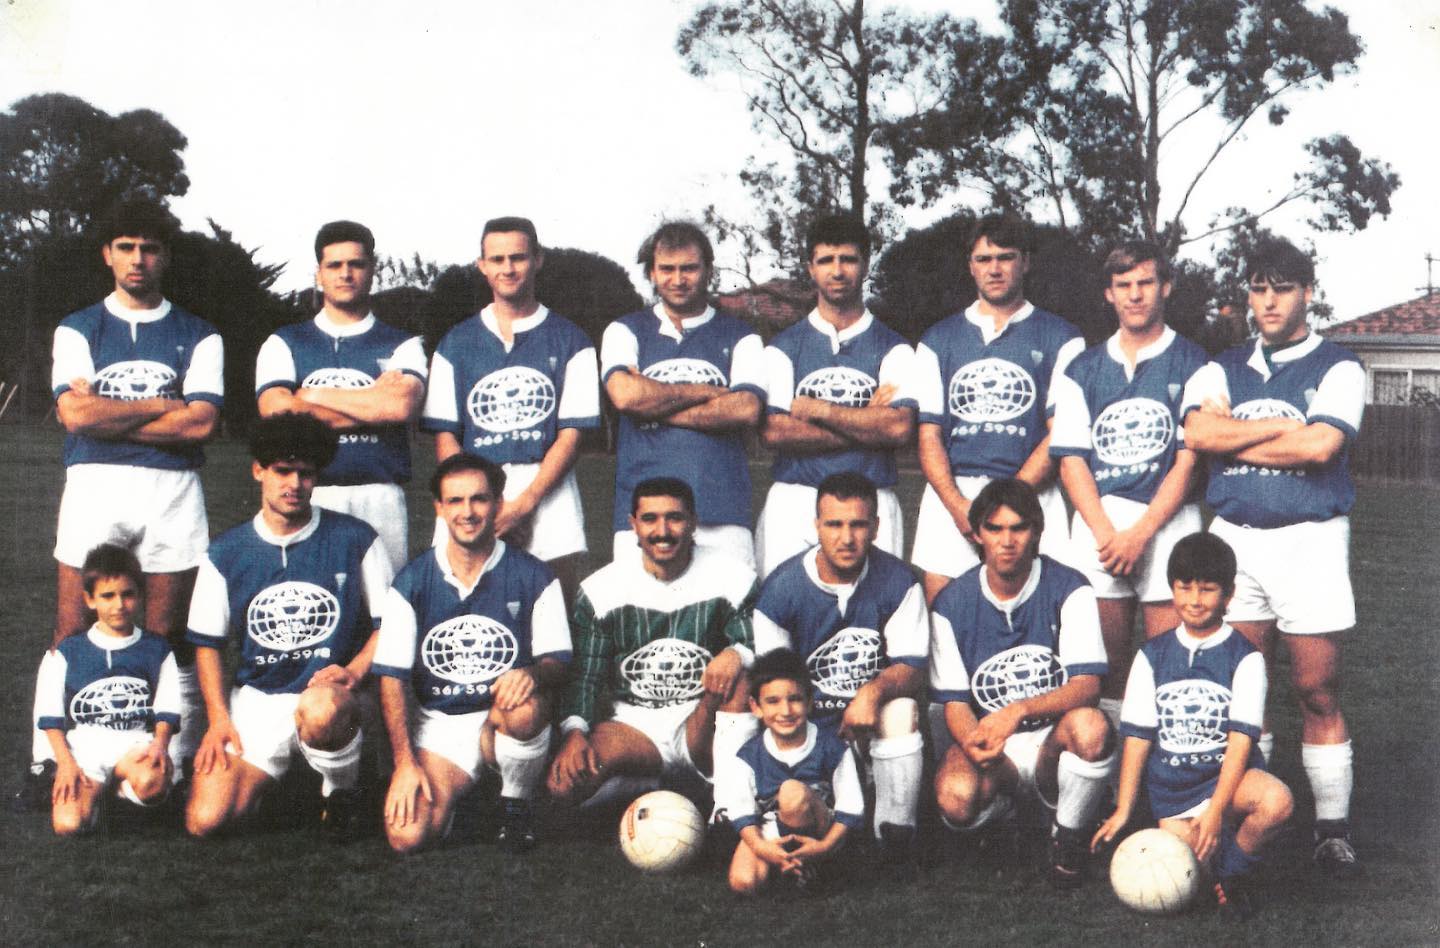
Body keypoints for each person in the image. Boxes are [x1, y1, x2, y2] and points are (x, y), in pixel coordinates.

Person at [26, 200, 222, 805]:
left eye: (151, 248)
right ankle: (48, 765)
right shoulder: (79, 327)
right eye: (127, 246)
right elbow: (76, 415)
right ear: (107, 253)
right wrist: (168, 405)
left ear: (166, 257)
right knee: (72, 628)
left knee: (161, 636)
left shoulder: (199, 333)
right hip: (94, 486)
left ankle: (162, 766)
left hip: (172, 492)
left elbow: (203, 426)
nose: (139, 259)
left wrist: (111, 418)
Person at [1181, 237, 1364, 877]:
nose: (1268, 301)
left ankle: (1331, 829)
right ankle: (1251, 810)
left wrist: (1239, 441)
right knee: (1242, 687)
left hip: (1310, 541)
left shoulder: (1340, 366)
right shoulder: (1222, 364)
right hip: (1235, 539)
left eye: (1281, 288)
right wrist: (1280, 429)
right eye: (1258, 289)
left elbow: (1320, 448)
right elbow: (1201, 434)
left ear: (1307, 292)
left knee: (1315, 688)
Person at [184, 414, 393, 839]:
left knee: (321, 711)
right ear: (258, 470)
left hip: (331, 697)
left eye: (305, 473)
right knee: (207, 820)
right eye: (282, 471)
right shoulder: (226, 553)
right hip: (259, 700)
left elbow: (390, 626)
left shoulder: (356, 538)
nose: (294, 484)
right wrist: (219, 719)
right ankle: (290, 785)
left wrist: (352, 672)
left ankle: (341, 793)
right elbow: (207, 644)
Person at [373, 454, 570, 853]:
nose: (468, 512)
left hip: (504, 714)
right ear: (439, 508)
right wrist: (405, 765)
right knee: (407, 836)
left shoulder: (535, 575)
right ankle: (469, 800)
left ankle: (516, 805)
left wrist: (532, 675)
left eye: (479, 499)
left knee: (525, 707)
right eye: (456, 501)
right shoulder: (411, 582)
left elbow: (559, 662)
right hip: (442, 723)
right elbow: (391, 677)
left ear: (498, 503)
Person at [1093, 532, 1293, 920]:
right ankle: (1218, 868)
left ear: (1228, 596)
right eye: (1185, 588)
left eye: (1208, 589)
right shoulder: (1152, 655)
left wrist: (1217, 810)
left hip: (1227, 783)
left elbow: (1239, 742)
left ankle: (1235, 876)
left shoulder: (1245, 658)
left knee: (1277, 801)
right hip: (1174, 795)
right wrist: (1124, 808)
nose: (1195, 600)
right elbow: (1136, 737)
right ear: (1172, 590)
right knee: (1185, 878)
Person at [1050, 241, 1207, 726]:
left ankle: (1165, 783)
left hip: (1167, 522)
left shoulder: (1196, 361)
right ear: (1109, 294)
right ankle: (1111, 782)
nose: (1135, 295)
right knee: (1105, 667)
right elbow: (1072, 458)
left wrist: (1140, 533)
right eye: (1124, 285)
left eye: (1145, 283)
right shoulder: (1082, 369)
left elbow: (1189, 458)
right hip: (1101, 522)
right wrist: (1106, 533)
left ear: (1165, 287)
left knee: (1171, 663)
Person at [929, 478, 1115, 887]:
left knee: (1091, 726)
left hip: (1055, 740)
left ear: (1037, 531)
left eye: (1019, 528)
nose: (1007, 541)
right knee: (955, 798)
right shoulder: (951, 603)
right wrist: (974, 743)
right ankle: (1012, 819)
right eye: (995, 529)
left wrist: (1019, 710)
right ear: (977, 534)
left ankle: (1067, 837)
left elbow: (1087, 686)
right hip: (997, 747)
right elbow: (955, 703)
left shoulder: (1070, 587)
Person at [547, 477, 757, 809]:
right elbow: (585, 677)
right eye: (650, 519)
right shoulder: (602, 589)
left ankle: (730, 804)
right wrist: (574, 732)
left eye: (674, 518)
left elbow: (763, 642)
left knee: (743, 676)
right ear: (633, 524)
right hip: (637, 724)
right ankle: (660, 780)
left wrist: (737, 651)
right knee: (564, 787)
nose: (663, 530)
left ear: (693, 522)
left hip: (703, 716)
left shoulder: (732, 575)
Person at [423, 216, 599, 599]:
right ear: (482, 265)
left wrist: (524, 504)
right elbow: (446, 436)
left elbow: (571, 435)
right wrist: (480, 501)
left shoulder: (573, 341)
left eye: (517, 257)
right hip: (474, 488)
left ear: (538, 259)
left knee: (555, 609)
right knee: (467, 606)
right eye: (497, 259)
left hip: (547, 492)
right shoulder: (455, 343)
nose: (507, 268)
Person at [752, 471, 927, 857]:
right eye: (834, 524)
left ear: (877, 527)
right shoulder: (781, 591)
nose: (846, 538)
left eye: (858, 524)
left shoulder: (899, 582)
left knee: (901, 709)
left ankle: (893, 836)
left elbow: (912, 668)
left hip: (867, 724)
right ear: (816, 525)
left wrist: (872, 691)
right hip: (809, 728)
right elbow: (774, 688)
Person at [912, 214, 1083, 604]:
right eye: (984, 258)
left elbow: (1059, 432)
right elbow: (928, 436)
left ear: (1025, 261)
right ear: (970, 265)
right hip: (954, 497)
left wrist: (1007, 502)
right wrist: (959, 507)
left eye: (1005, 257)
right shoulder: (938, 339)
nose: (994, 268)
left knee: (1040, 625)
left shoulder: (1063, 338)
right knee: (946, 622)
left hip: (1032, 495)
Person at [255, 220, 427, 573]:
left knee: (385, 611)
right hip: (311, 492)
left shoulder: (402, 344)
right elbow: (276, 414)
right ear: (319, 273)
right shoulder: (284, 342)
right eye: (334, 265)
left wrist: (311, 395)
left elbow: (400, 405)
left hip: (380, 494)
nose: (345, 274)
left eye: (356, 264)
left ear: (372, 270)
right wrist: (373, 402)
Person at [754, 214, 916, 577]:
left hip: (872, 500)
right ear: (811, 268)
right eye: (826, 260)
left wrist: (817, 410)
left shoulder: (895, 348)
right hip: (795, 498)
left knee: (872, 616)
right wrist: (864, 420)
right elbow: (775, 433)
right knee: (785, 615)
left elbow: (897, 430)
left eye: (848, 259)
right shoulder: (782, 348)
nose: (838, 271)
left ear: (865, 264)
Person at [603, 222, 765, 568]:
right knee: (641, 620)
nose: (678, 279)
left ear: (708, 271)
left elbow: (745, 409)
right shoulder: (625, 330)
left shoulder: (742, 336)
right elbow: (626, 397)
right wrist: (706, 393)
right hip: (642, 512)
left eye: (689, 268)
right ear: (651, 272)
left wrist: (654, 404)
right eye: (667, 269)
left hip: (722, 510)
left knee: (729, 617)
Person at [34, 544, 180, 835]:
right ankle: (103, 799)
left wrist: (159, 745)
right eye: (108, 596)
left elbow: (168, 709)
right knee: (68, 825)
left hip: (135, 743)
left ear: (139, 595)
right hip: (85, 748)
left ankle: (118, 794)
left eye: (127, 594)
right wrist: (65, 764)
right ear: (89, 599)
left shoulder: (157, 649)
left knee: (154, 784)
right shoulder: (69, 651)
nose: (118, 605)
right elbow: (51, 718)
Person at [715, 648, 864, 895]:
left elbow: (851, 809)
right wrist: (763, 849)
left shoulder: (832, 747)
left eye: (794, 699)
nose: (785, 711)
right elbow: (742, 815)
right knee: (744, 882)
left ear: (809, 701)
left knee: (791, 792)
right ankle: (790, 868)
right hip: (771, 828)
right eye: (772, 701)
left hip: (819, 829)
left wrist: (825, 846)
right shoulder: (748, 756)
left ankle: (814, 863)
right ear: (756, 707)